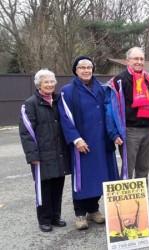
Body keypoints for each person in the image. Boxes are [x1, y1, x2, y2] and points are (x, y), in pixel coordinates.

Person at [58, 56, 119, 230]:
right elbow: (65, 118)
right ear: (75, 70)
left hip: (102, 141)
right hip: (82, 143)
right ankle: (80, 214)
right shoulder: (67, 91)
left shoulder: (102, 88)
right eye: (82, 67)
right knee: (82, 178)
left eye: (89, 67)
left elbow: (111, 111)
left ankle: (93, 209)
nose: (86, 70)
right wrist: (76, 139)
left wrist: (115, 133)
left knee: (101, 176)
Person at [19, 69, 71, 232]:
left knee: (58, 185)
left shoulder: (59, 101)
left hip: (59, 151)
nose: (49, 85)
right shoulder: (30, 103)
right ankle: (44, 219)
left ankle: (56, 216)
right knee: (44, 187)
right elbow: (26, 132)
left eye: (51, 81)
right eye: (45, 82)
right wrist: (32, 155)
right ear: (38, 84)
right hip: (41, 155)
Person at [105, 47, 149, 180]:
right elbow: (110, 109)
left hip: (147, 130)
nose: (139, 62)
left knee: (144, 169)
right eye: (136, 59)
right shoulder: (119, 80)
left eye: (142, 59)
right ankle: (125, 201)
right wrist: (114, 132)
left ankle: (142, 200)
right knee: (128, 170)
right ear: (127, 61)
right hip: (129, 131)